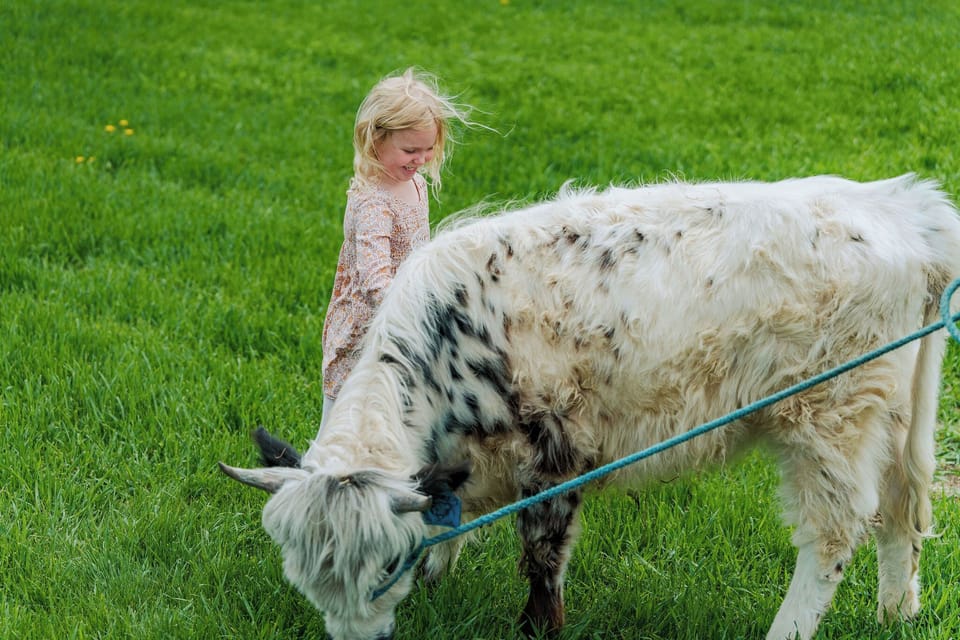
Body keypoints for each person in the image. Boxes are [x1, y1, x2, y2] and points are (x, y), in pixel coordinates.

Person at [320, 68, 475, 425]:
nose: (420, 159)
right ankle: (320, 465)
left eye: (428, 149)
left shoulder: (414, 183)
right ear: (376, 140)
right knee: (347, 409)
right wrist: (410, 313)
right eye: (409, 150)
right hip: (369, 324)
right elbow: (375, 280)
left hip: (404, 311)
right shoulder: (374, 202)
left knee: (392, 407)